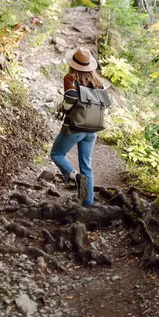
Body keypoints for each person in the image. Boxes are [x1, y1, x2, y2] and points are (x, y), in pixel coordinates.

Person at [50, 47, 103, 206]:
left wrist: (63, 108)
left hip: (75, 127)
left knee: (57, 154)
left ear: (73, 64)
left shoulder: (70, 78)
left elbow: (71, 98)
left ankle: (75, 177)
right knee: (86, 165)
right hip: (92, 128)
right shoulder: (98, 82)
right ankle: (87, 202)